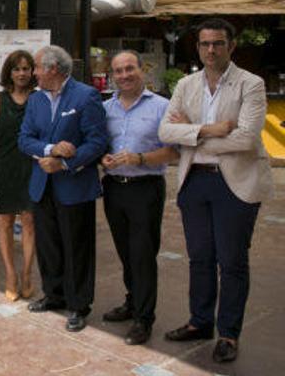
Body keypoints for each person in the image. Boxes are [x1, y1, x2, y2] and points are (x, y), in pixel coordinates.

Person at [158, 19, 273, 363]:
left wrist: (192, 136)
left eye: (218, 44)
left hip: (234, 183)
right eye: (205, 44)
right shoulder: (186, 84)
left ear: (231, 46)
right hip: (195, 182)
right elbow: (165, 132)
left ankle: (228, 334)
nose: (211, 50)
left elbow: (247, 138)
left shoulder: (250, 84)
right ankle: (200, 321)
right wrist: (212, 130)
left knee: (232, 261)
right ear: (197, 47)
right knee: (200, 258)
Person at [19, 45, 107, 333]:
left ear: (53, 69)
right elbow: (25, 139)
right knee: (49, 245)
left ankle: (79, 305)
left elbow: (97, 143)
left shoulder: (86, 96)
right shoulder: (35, 99)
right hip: (42, 186)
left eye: (36, 67)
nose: (33, 73)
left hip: (75, 185)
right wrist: (50, 149)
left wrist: (65, 164)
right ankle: (54, 295)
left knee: (77, 247)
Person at [100, 50, 179, 345]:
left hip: (146, 188)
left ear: (141, 70)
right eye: (118, 71)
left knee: (143, 255)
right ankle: (133, 302)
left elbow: (173, 151)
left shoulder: (162, 107)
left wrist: (139, 158)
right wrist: (102, 158)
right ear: (113, 75)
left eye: (129, 68)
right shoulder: (106, 107)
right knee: (124, 251)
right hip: (114, 188)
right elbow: (99, 144)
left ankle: (144, 319)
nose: (124, 75)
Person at [0, 50, 37, 302]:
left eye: (26, 68)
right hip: (3, 166)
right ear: (9, 72)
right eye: (17, 69)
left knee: (29, 221)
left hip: (31, 167)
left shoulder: (39, 99)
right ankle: (10, 275)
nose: (22, 73)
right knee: (4, 221)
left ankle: (27, 274)